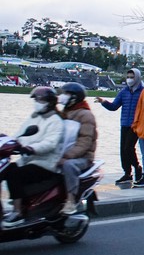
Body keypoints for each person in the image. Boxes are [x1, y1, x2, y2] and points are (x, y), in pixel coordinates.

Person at [2, 86, 64, 228]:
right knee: (6, 168)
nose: (37, 102)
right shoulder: (34, 116)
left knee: (14, 174)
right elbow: (20, 134)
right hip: (28, 160)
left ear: (49, 102)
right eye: (36, 99)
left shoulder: (55, 120)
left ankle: (17, 212)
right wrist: (11, 143)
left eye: (40, 99)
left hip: (45, 163)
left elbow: (50, 143)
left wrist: (31, 148)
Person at [96, 68, 144, 184]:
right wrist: (103, 102)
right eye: (128, 77)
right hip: (124, 124)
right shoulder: (124, 92)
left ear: (137, 77)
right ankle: (127, 173)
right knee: (123, 150)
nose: (129, 79)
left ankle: (137, 167)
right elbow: (114, 106)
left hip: (136, 125)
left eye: (132, 77)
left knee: (128, 147)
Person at [58, 83, 98, 214]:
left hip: (82, 157)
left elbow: (85, 142)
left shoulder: (85, 115)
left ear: (74, 97)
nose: (63, 96)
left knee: (69, 166)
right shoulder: (65, 113)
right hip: (64, 154)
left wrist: (68, 156)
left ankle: (70, 200)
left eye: (66, 94)